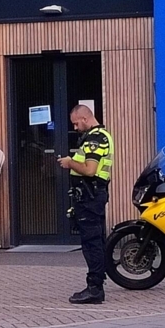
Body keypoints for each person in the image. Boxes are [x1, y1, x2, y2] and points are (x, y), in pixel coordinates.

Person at [58, 105, 114, 305]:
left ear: (84, 118)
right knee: (94, 241)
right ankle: (96, 284)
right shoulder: (100, 136)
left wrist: (69, 162)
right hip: (91, 197)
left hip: (90, 197)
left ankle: (95, 288)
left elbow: (90, 170)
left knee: (91, 243)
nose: (75, 127)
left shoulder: (95, 138)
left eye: (76, 122)